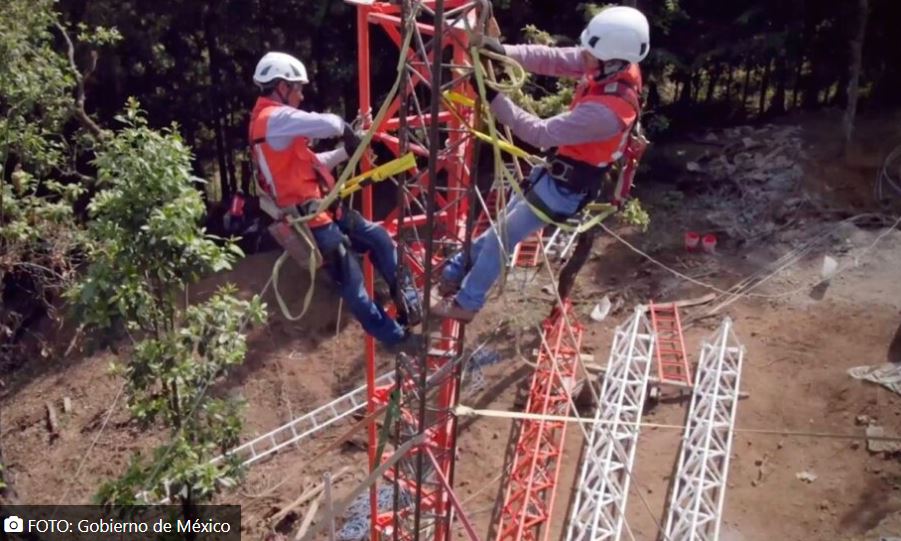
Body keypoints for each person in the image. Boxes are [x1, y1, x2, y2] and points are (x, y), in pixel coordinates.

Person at [432, 6, 650, 322]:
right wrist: (503, 50)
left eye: (590, 54)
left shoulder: (608, 113)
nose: (583, 57)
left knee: (500, 238)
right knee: (500, 228)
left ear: (612, 59)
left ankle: (467, 303)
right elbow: (554, 59)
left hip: (565, 190)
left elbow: (540, 133)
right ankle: (456, 269)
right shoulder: (609, 65)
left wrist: (493, 99)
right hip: (557, 175)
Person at [248, 51, 420, 351]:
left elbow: (314, 163)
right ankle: (397, 339)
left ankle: (409, 302)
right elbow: (328, 124)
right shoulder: (271, 119)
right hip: (313, 223)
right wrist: (347, 130)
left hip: (325, 211)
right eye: (297, 88)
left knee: (378, 238)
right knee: (355, 287)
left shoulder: (275, 128)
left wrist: (346, 149)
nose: (301, 96)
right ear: (280, 86)